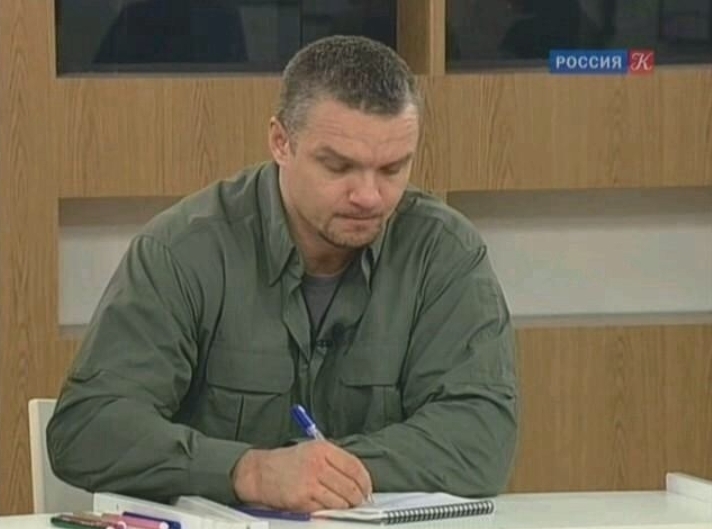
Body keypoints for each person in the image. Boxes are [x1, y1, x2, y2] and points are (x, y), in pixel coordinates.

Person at [47, 35, 518, 514]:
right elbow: (87, 429)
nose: (369, 196)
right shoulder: (183, 251)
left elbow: (481, 438)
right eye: (338, 166)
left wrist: (322, 471)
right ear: (281, 142)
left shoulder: (444, 253)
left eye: (393, 169)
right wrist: (249, 471)